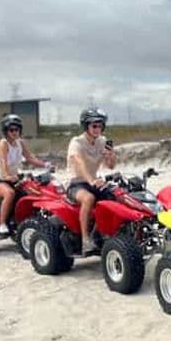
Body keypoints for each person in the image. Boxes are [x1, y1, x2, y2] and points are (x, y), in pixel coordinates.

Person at [0, 114, 51, 237]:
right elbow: (3, 162)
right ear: (6, 131)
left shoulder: (21, 143)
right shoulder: (3, 143)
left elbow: (30, 158)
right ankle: (2, 224)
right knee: (9, 193)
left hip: (15, 178)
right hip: (0, 179)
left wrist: (46, 165)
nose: (14, 132)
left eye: (17, 129)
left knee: (35, 191)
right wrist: (7, 175)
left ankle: (25, 221)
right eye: (11, 130)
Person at [66, 108, 116, 254]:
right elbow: (79, 162)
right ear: (86, 126)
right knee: (89, 198)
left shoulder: (102, 141)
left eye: (100, 126)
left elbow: (111, 166)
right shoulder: (76, 142)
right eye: (94, 126)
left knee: (115, 196)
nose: (97, 129)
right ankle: (85, 240)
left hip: (93, 181)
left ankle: (104, 232)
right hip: (76, 183)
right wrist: (91, 180)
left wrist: (111, 155)